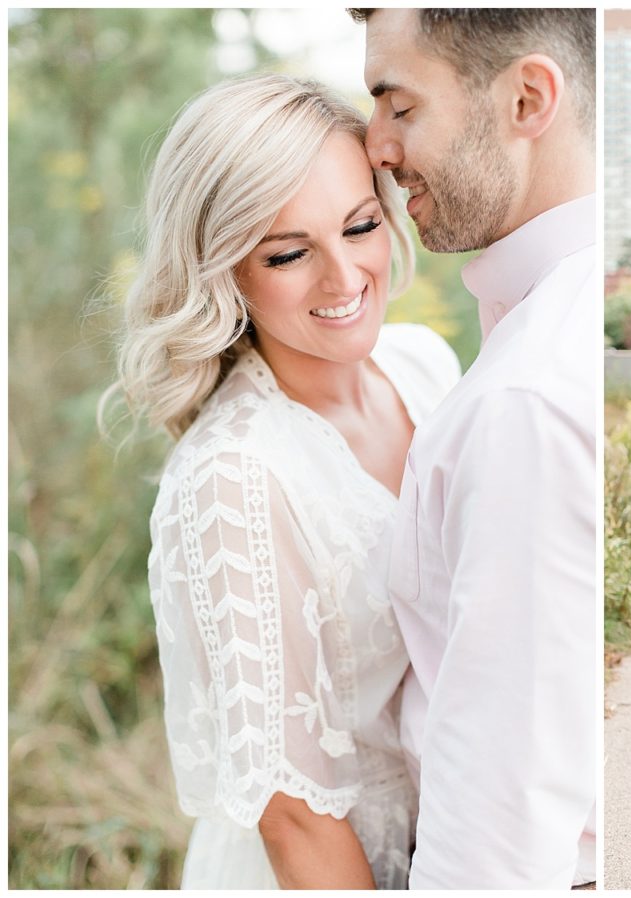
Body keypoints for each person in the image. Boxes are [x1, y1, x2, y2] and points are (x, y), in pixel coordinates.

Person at [110, 73, 460, 888]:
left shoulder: (426, 369)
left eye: (360, 225)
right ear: (225, 269)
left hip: (458, 840)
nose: (343, 279)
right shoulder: (231, 478)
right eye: (290, 253)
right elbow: (295, 818)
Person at [350, 7, 597, 889]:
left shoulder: (522, 400)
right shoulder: (544, 330)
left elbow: (498, 818)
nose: (375, 145)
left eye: (400, 106)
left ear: (528, 98)